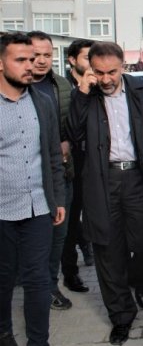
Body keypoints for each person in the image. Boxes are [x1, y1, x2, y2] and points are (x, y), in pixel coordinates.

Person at [67, 42, 143, 345]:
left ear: (123, 66)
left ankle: (138, 278)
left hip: (138, 178)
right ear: (90, 69)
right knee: (108, 251)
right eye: (99, 72)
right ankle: (121, 315)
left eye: (112, 72)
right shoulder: (85, 95)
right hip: (102, 179)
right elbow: (74, 134)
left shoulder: (142, 91)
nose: (106, 79)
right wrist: (83, 93)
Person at [0, 33, 66, 346]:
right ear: (1, 63)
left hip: (38, 206)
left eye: (33, 59)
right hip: (2, 210)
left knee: (38, 278)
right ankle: (4, 333)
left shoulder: (43, 101)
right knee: (3, 278)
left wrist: (58, 198)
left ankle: (38, 341)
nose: (31, 65)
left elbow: (53, 154)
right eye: (21, 60)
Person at [26, 31, 77, 311]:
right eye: (36, 55)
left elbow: (72, 124)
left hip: (60, 174)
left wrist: (68, 142)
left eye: (47, 55)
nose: (42, 60)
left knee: (59, 235)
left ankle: (49, 285)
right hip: (26, 179)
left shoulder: (61, 85)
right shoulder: (14, 88)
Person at [61, 39, 96, 294]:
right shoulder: (62, 88)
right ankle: (70, 273)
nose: (91, 63)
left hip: (93, 162)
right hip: (70, 164)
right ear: (72, 60)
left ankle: (87, 243)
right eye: (86, 58)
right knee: (70, 221)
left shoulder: (98, 87)